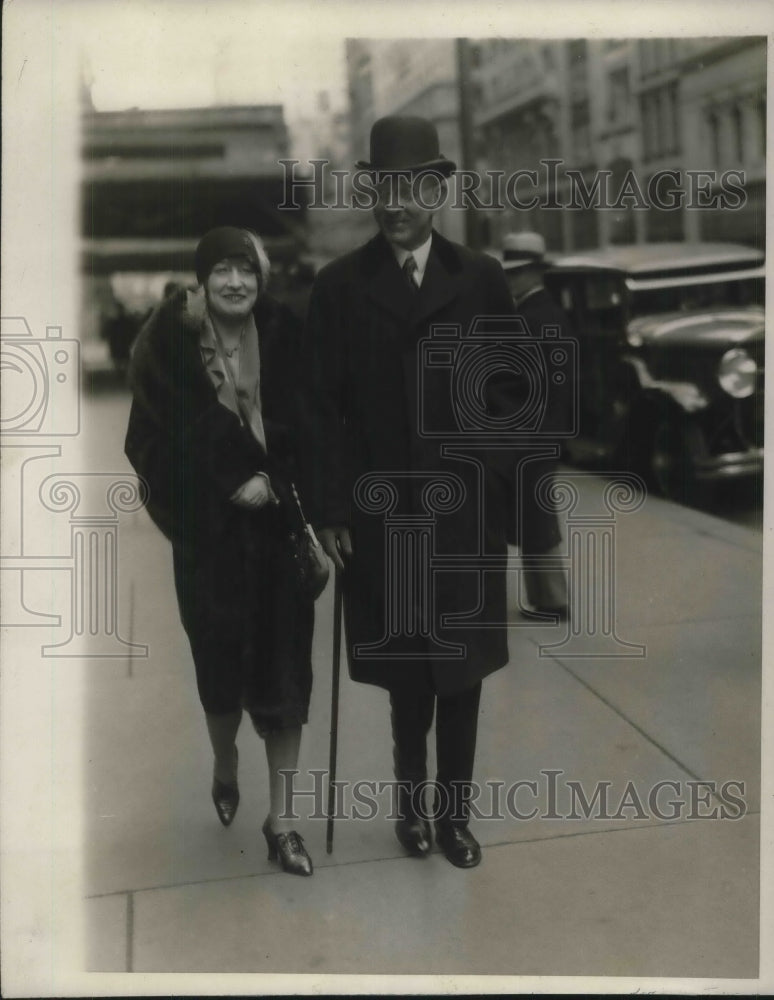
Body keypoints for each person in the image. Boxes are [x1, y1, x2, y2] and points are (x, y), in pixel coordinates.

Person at [301, 116, 520, 868]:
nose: (396, 203)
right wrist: (329, 509)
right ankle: (410, 808)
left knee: (461, 672)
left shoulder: (481, 279)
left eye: (413, 187)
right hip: (381, 516)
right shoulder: (337, 289)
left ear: (438, 189)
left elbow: (513, 394)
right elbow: (318, 411)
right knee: (408, 677)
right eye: (383, 187)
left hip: (463, 516)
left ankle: (455, 818)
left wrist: (497, 490)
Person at [124, 226, 315, 877]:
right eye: (223, 271)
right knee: (220, 673)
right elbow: (146, 447)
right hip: (209, 540)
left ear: (260, 281)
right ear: (202, 281)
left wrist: (280, 485)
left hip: (279, 534)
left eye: (247, 270)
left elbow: (318, 423)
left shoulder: (287, 337)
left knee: (287, 676)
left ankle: (283, 821)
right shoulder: (167, 349)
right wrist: (220, 492)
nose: (237, 281)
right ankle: (225, 759)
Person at [501, 231, 573, 619]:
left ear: (533, 273)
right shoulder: (548, 312)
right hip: (544, 432)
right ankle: (544, 598)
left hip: (531, 435)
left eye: (515, 273)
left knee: (536, 518)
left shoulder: (530, 317)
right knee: (533, 515)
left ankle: (552, 600)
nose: (509, 280)